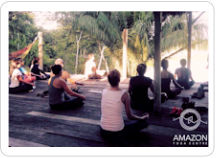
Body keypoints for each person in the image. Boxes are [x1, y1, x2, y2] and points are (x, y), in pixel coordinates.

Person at [100, 69, 149, 145]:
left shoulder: (104, 91)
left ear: (108, 80)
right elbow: (130, 116)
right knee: (144, 122)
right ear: (119, 80)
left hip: (103, 130)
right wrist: (141, 118)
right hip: (118, 132)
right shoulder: (124, 94)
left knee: (122, 121)